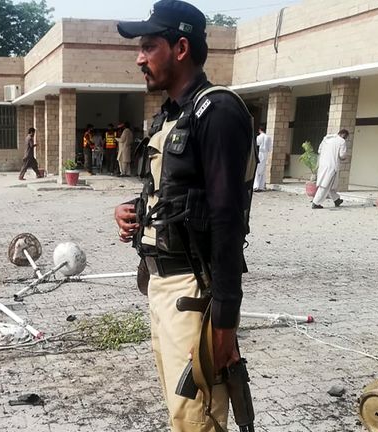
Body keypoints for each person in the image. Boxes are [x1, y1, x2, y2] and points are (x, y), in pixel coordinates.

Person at [114, 1, 257, 431]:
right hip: (162, 286)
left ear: (180, 47)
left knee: (200, 418)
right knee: (182, 413)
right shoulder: (172, 115)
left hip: (196, 291)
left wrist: (225, 321)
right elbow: (171, 195)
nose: (139, 58)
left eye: (148, 46)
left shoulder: (218, 112)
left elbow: (228, 222)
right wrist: (132, 213)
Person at [311, 129, 349, 209]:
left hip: (323, 164)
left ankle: (336, 200)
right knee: (325, 185)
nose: (345, 139)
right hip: (332, 166)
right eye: (346, 137)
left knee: (331, 185)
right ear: (344, 135)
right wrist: (344, 157)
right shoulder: (342, 141)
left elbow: (319, 150)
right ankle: (316, 203)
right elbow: (342, 155)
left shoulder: (326, 138)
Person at [253, 125, 272, 192]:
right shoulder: (269, 137)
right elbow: (270, 148)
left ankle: (256, 186)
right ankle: (261, 186)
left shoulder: (259, 137)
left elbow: (257, 144)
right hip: (266, 154)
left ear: (259, 130)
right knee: (263, 170)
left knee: (258, 170)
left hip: (261, 153)